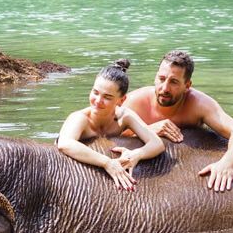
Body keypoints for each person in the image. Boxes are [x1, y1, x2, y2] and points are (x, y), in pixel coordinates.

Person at [122, 50, 233, 193]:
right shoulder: (135, 101)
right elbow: (104, 133)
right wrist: (148, 130)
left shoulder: (199, 104)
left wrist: (227, 163)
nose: (164, 88)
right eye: (161, 78)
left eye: (174, 82)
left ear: (187, 85)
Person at [57, 59, 165, 192]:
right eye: (95, 92)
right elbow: (65, 143)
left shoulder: (124, 116)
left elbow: (157, 143)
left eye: (107, 97)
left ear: (121, 100)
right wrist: (107, 163)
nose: (98, 101)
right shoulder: (80, 118)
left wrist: (137, 154)